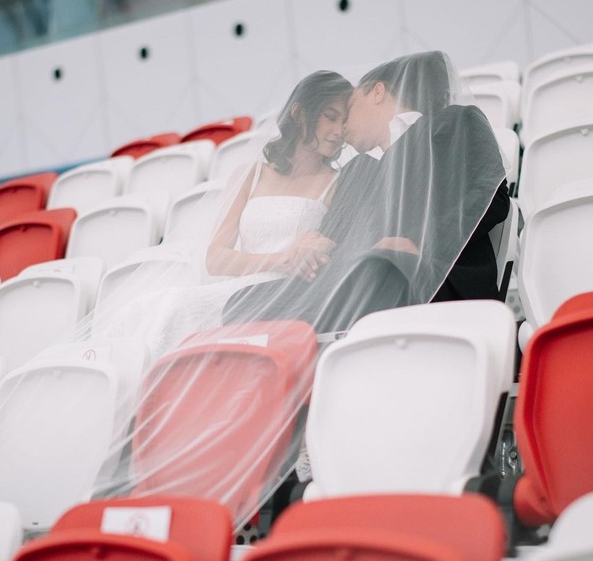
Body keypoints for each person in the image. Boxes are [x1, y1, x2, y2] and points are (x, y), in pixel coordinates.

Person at [223, 51, 509, 330]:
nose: (343, 126)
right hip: (355, 280)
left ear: (377, 92)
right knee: (242, 304)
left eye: (349, 108)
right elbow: (333, 240)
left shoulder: (455, 122)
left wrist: (423, 240)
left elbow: (493, 197)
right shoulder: (357, 169)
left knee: (377, 268)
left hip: (434, 274)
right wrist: (314, 246)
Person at [100, 70, 353, 357]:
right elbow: (216, 258)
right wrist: (280, 259)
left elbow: (333, 247)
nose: (338, 131)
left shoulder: (336, 181)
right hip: (240, 288)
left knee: (173, 310)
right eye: (330, 117)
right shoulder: (251, 175)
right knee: (142, 310)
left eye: (344, 121)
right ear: (300, 114)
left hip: (285, 296)